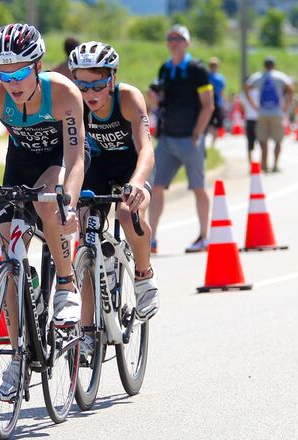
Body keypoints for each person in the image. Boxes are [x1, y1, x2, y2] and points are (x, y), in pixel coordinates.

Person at [0, 23, 85, 402]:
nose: (12, 83)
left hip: (59, 160)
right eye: (3, 74)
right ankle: (19, 354)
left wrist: (69, 203)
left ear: (38, 66)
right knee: (6, 236)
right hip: (20, 162)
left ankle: (66, 285)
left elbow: (76, 159)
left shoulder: (64, 92)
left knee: (46, 201)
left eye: (20, 73)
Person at [67, 41, 159, 343]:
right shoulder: (74, 103)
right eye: (82, 85)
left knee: (127, 212)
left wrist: (136, 183)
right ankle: (87, 328)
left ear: (112, 79)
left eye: (97, 85)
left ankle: (144, 277)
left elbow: (146, 149)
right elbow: (72, 153)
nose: (90, 93)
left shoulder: (128, 98)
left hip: (132, 165)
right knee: (85, 233)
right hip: (98, 166)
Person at [147, 25, 214, 254]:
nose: (174, 42)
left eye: (179, 39)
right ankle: (151, 239)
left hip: (190, 138)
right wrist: (154, 101)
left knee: (198, 187)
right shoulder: (165, 69)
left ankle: (204, 236)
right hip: (167, 138)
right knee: (155, 187)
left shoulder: (197, 69)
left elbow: (208, 105)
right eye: (170, 38)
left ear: (187, 43)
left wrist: (197, 133)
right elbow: (161, 105)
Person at [243, 56, 294, 173]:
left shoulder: (258, 77)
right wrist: (287, 104)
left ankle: (264, 165)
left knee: (263, 140)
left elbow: (246, 87)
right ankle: (275, 165)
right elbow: (291, 88)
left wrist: (253, 104)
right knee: (278, 140)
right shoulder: (280, 76)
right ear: (274, 65)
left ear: (264, 65)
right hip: (277, 112)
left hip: (262, 112)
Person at [207, 57, 226, 148]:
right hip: (208, 103)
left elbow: (222, 92)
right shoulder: (207, 76)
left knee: (218, 124)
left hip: (218, 103)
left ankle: (213, 143)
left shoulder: (220, 78)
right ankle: (211, 139)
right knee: (208, 123)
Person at [239, 82, 260, 164]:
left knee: (250, 143)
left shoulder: (243, 94)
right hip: (257, 119)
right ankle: (262, 163)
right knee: (262, 142)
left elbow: (242, 107)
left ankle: (251, 163)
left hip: (249, 119)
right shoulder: (258, 92)